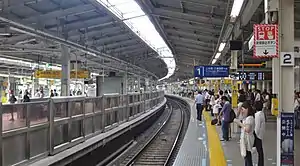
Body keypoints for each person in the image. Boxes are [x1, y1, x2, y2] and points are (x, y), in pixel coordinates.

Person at [234, 102, 255, 166]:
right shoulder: (247, 117)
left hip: (248, 140)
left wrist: (239, 123)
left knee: (248, 157)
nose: (242, 111)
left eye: (243, 109)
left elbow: (247, 129)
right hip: (246, 139)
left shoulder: (249, 118)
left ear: (247, 109)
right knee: (247, 157)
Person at [254, 101, 266, 166]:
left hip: (257, 135)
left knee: (259, 151)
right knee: (260, 151)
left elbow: (257, 127)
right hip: (260, 135)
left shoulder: (257, 115)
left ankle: (260, 164)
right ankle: (260, 164)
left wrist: (254, 135)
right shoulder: (262, 113)